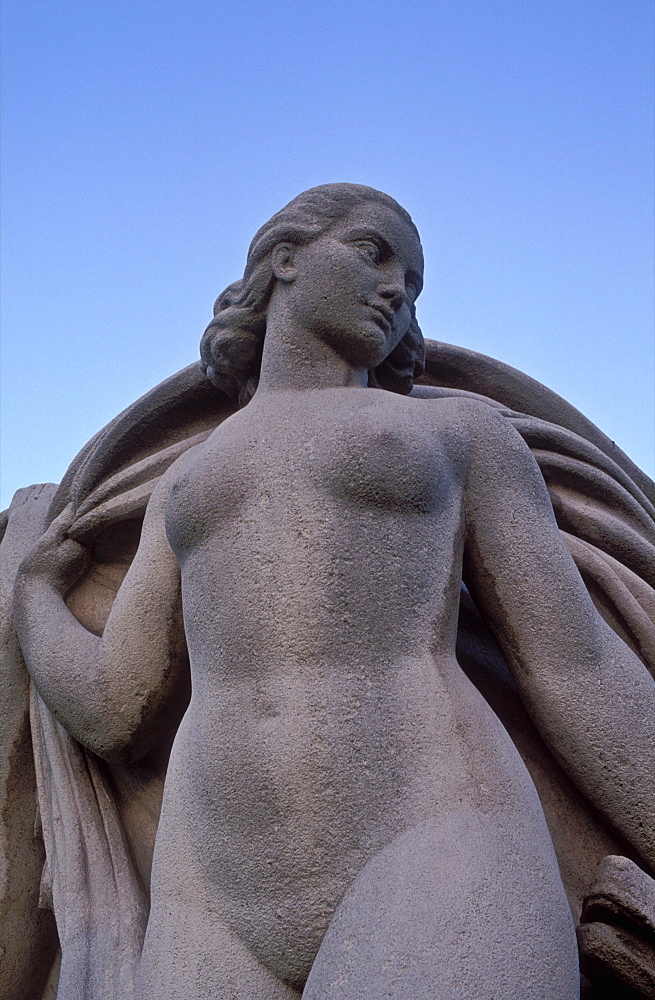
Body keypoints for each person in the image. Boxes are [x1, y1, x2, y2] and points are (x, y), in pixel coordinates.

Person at [10, 184, 655, 999]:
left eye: (413, 284)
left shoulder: (455, 432)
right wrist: (34, 595)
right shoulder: (183, 480)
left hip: (435, 833)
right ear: (284, 258)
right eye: (373, 253)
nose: (396, 289)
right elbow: (113, 704)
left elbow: (574, 666)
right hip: (207, 891)